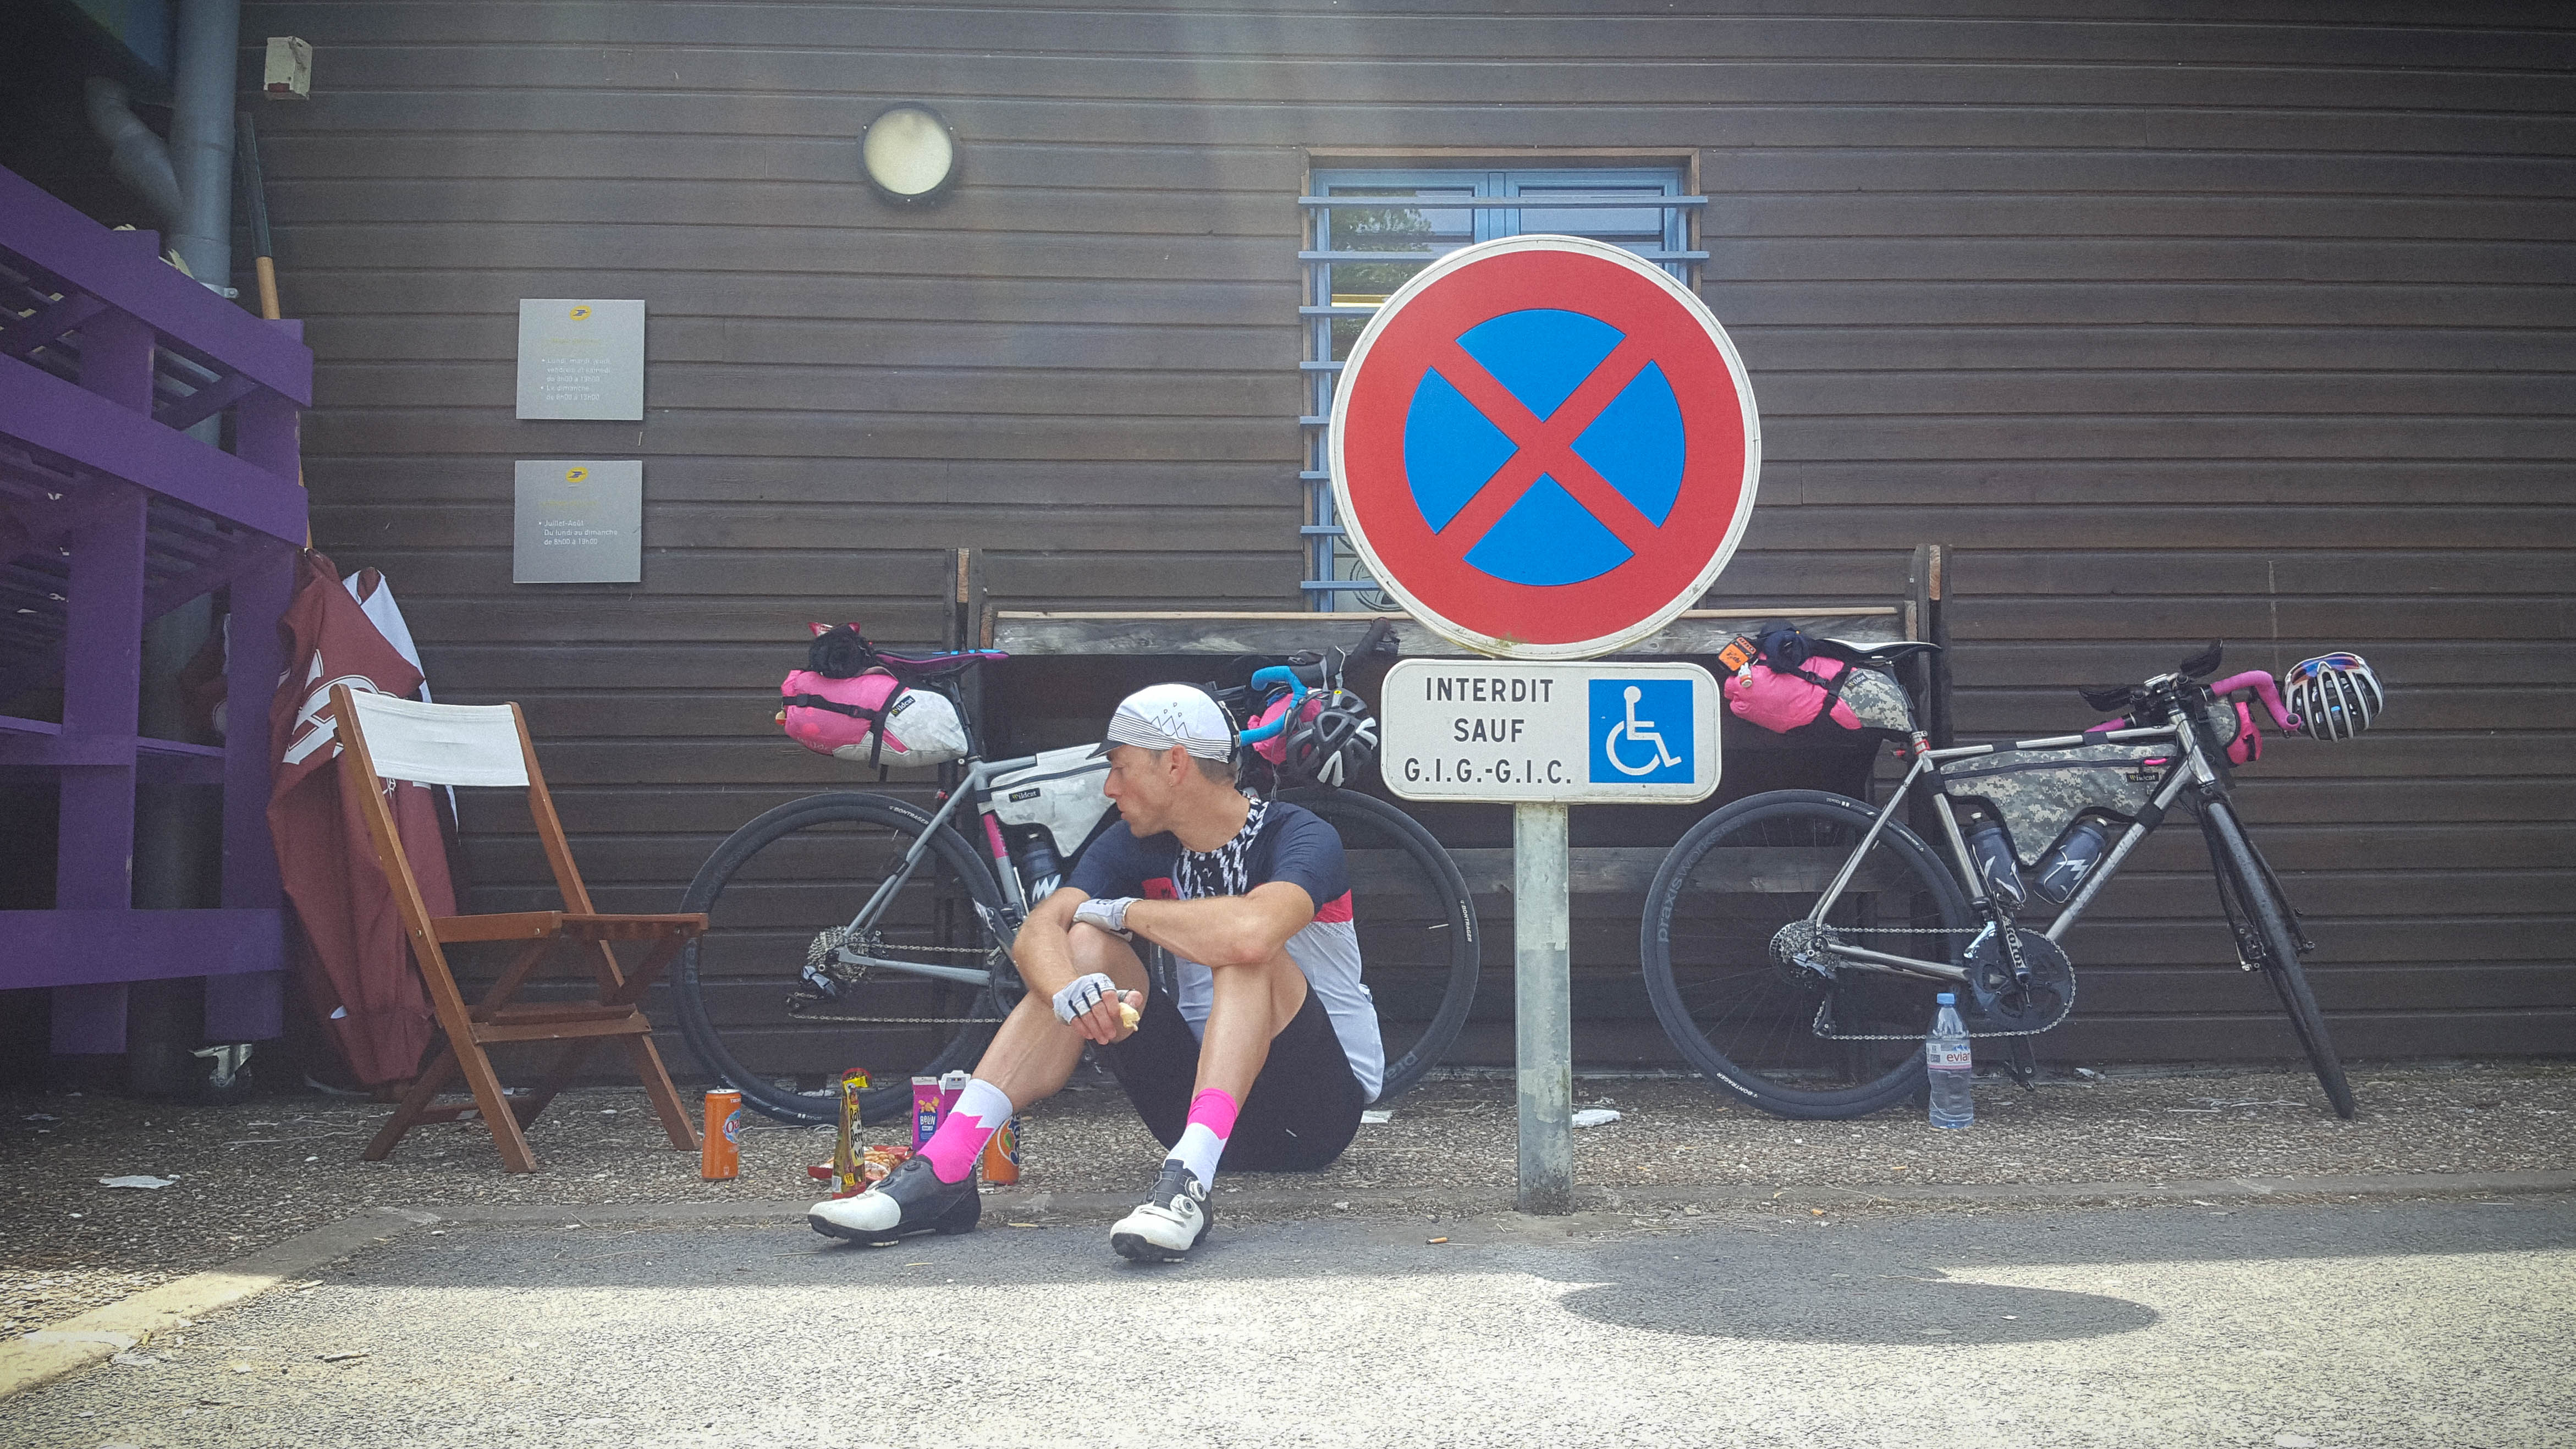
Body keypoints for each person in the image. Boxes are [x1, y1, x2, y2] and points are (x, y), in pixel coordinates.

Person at [808, 683, 1381, 1261]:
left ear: (1175, 764)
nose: (1109, 787)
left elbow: (1252, 933)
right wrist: (1068, 993)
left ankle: (1188, 1181)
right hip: (1189, 1111)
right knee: (1082, 943)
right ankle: (945, 1168)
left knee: (1240, 948)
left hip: (1313, 1114)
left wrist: (1125, 910)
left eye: (1120, 767)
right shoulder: (1131, 841)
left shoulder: (1300, 834)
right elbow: (1040, 929)